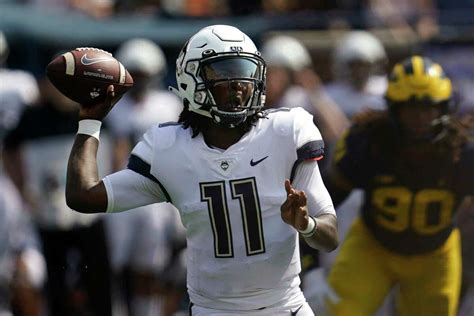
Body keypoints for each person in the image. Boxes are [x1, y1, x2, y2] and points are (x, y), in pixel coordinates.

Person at [64, 24, 339, 314]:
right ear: (191, 81)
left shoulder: (286, 132)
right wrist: (90, 122)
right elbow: (83, 196)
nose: (239, 83)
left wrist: (306, 224)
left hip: (285, 307)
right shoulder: (170, 148)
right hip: (213, 310)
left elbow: (330, 235)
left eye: (244, 70)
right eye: (224, 72)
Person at [323, 55, 474, 315]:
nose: (420, 119)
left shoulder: (462, 153)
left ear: (444, 109)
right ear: (393, 108)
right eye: (410, 109)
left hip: (434, 255)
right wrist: (308, 259)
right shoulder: (368, 143)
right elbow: (326, 198)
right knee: (341, 312)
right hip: (372, 247)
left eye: (428, 108)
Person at [3, 72, 113, 316]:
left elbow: (114, 146)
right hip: (50, 211)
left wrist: (109, 186)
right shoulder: (33, 117)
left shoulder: (91, 111)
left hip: (89, 210)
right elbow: (9, 152)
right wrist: (22, 189)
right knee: (56, 282)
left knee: (97, 278)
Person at [105, 38, 187, 316]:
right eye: (134, 75)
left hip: (157, 193)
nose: (139, 82)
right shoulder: (112, 106)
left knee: (153, 263)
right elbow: (112, 152)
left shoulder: (168, 104)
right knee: (114, 263)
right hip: (120, 189)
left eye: (144, 75)